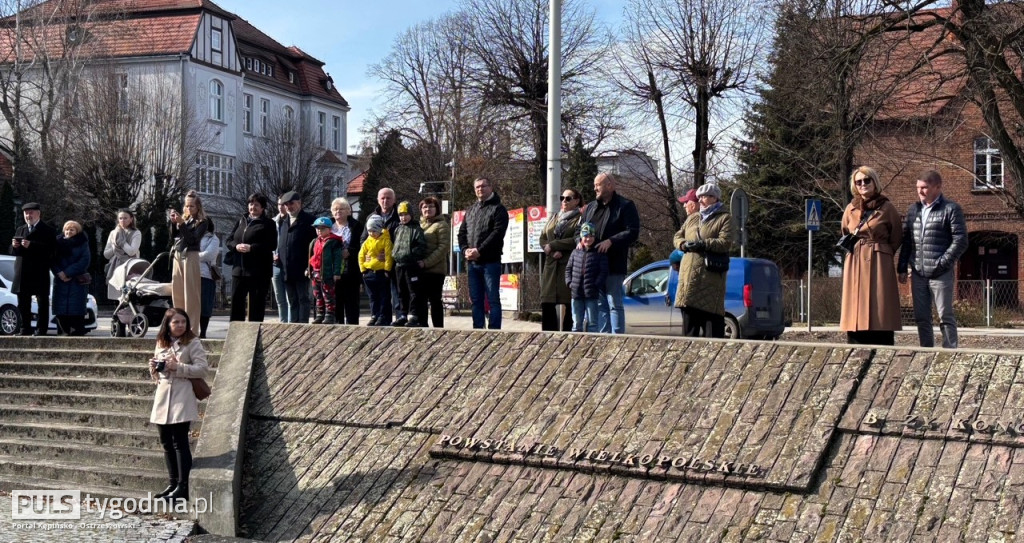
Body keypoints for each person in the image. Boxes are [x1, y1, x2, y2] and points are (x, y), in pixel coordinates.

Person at [897, 170, 968, 348]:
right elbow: (907, 241)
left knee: (945, 316)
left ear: (937, 187)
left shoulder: (951, 209)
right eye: (918, 187)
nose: (920, 191)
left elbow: (961, 240)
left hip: (940, 273)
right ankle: (926, 351)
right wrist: (902, 266)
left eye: (924, 187)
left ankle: (950, 352)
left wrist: (943, 262)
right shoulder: (914, 210)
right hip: (919, 273)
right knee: (921, 317)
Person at [148, 308, 208, 504]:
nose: (180, 325)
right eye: (176, 322)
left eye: (183, 322)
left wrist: (178, 367)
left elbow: (202, 369)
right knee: (166, 442)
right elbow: (157, 375)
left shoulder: (193, 343)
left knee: (180, 442)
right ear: (168, 325)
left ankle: (183, 486)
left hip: (182, 396)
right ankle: (172, 483)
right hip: (163, 396)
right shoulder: (161, 342)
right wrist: (154, 369)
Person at [840, 166, 903, 345]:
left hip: (878, 261)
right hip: (855, 261)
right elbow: (845, 231)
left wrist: (883, 252)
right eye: (858, 182)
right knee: (855, 305)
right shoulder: (850, 209)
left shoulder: (887, 208)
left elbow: (897, 236)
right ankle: (855, 337)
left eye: (866, 180)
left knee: (880, 305)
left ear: (874, 182)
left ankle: (882, 337)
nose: (863, 184)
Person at [580, 172, 640, 334]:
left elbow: (632, 231)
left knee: (614, 302)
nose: (595, 188)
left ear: (610, 186)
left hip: (614, 263)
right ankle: (604, 338)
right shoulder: (591, 208)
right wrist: (580, 241)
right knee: (600, 304)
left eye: (597, 185)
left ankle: (617, 339)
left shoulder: (625, 205)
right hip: (594, 264)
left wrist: (611, 241)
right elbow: (580, 230)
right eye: (594, 185)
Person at [673, 183, 735, 338]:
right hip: (688, 280)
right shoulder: (693, 218)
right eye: (699, 197)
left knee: (712, 331)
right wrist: (683, 244)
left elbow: (725, 242)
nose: (700, 200)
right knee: (689, 331)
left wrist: (704, 244)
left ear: (714, 198)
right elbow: (677, 236)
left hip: (709, 280)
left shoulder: (724, 218)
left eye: (704, 197)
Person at [458, 177, 509, 329]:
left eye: (483, 186)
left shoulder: (499, 209)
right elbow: (462, 233)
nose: (480, 189)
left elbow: (497, 233)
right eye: (477, 187)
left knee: (493, 299)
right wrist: (464, 249)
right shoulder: (471, 210)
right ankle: (478, 330)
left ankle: (494, 330)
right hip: (472, 263)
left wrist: (479, 251)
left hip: (490, 262)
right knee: (476, 300)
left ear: (490, 187)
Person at [227, 193, 278, 322]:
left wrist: (252, 248)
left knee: (256, 306)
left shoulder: (268, 223)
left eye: (256, 205)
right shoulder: (241, 220)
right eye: (251, 204)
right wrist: (236, 246)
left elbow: (271, 245)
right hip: (239, 270)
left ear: (262, 208)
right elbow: (229, 240)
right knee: (236, 303)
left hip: (258, 272)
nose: (253, 207)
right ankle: (235, 333)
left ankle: (254, 334)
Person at [539, 188, 583, 331]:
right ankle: (547, 339)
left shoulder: (580, 219)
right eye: (562, 198)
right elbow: (543, 238)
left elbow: (577, 239)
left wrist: (554, 245)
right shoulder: (554, 217)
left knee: (569, 304)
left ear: (576, 201)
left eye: (568, 198)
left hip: (568, 265)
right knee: (547, 303)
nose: (564, 201)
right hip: (551, 267)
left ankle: (567, 338)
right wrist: (551, 252)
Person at [10, 202, 56, 335]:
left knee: (42, 302)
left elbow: (51, 251)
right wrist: (14, 246)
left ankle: (41, 329)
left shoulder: (48, 230)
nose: (28, 215)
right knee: (23, 302)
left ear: (38, 213)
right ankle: (25, 328)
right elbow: (13, 252)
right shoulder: (21, 229)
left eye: (31, 213)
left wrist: (32, 245)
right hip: (22, 272)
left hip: (39, 271)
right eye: (26, 213)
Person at [169, 190, 209, 336]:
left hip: (191, 256)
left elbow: (192, 240)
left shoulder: (203, 222)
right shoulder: (184, 220)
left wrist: (182, 225)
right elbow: (174, 237)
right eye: (186, 206)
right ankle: (178, 327)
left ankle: (192, 330)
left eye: (191, 206)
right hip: (178, 256)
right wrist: (174, 224)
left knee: (191, 295)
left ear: (198, 207)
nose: (188, 209)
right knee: (178, 292)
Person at [276, 191, 316, 323]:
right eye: (286, 204)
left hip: (302, 268)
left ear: (299, 203)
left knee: (303, 299)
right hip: (287, 268)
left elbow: (314, 246)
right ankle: (293, 326)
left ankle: (302, 327)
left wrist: (309, 267)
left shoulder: (309, 221)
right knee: (292, 300)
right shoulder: (284, 221)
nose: (288, 207)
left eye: (291, 203)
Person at [361, 188, 402, 320]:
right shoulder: (370, 217)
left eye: (388, 198)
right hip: (377, 266)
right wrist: (368, 254)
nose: (385, 201)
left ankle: (400, 319)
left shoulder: (399, 216)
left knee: (397, 294)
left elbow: (402, 239)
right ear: (378, 200)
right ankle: (380, 317)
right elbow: (364, 239)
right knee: (379, 295)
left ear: (394, 200)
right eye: (382, 198)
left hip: (394, 263)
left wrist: (390, 253)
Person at [565, 222, 608, 333]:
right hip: (576, 293)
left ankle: (592, 345)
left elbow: (603, 272)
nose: (588, 239)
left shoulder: (599, 253)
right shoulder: (575, 252)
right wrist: (570, 283)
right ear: (581, 237)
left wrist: (596, 285)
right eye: (585, 236)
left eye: (590, 236)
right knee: (576, 323)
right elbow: (568, 269)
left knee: (593, 323)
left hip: (592, 294)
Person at [51, 220, 91, 336]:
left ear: (77, 231)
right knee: (61, 309)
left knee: (76, 308)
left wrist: (67, 272)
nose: (69, 232)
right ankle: (63, 331)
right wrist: (59, 273)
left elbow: (84, 260)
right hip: (60, 281)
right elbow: (52, 260)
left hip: (76, 281)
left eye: (72, 230)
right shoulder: (57, 242)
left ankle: (76, 332)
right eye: (67, 229)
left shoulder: (83, 243)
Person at [392, 201, 428, 327]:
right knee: (401, 290)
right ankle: (402, 314)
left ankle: (413, 314)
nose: (403, 217)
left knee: (413, 290)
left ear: (411, 214)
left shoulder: (416, 229)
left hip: (411, 265)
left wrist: (411, 256)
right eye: (401, 215)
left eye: (406, 214)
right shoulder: (398, 229)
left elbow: (421, 246)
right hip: (399, 265)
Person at [330, 197, 364, 325]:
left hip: (351, 270)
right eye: (335, 209)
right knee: (336, 302)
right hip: (333, 270)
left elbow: (362, 245)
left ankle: (353, 327)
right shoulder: (328, 226)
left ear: (348, 211)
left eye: (341, 209)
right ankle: (338, 327)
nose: (338, 211)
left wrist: (350, 251)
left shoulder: (356, 226)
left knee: (352, 303)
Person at [418, 196, 450, 328]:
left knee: (435, 300)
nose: (428, 209)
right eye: (425, 207)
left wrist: (426, 262)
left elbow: (443, 248)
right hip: (420, 269)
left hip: (435, 270)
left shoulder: (441, 225)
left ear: (437, 209)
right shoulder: (418, 225)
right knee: (421, 300)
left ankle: (438, 329)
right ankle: (422, 327)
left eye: (431, 206)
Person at [308, 217, 344, 324]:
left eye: (322, 229)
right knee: (317, 294)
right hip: (316, 272)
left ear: (329, 229)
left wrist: (337, 272)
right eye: (317, 228)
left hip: (327, 273)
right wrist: (309, 269)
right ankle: (320, 314)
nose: (319, 231)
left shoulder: (333, 242)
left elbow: (338, 258)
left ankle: (330, 315)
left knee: (328, 294)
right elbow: (312, 256)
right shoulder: (315, 241)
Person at [359, 216, 393, 326]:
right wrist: (363, 270)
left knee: (383, 296)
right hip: (369, 273)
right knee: (372, 297)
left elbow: (388, 256)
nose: (371, 233)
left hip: (381, 273)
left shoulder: (386, 241)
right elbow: (361, 255)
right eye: (369, 231)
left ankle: (382, 316)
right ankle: (374, 315)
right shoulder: (367, 242)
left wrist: (387, 270)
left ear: (379, 230)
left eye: (374, 231)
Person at [103, 209, 141, 300]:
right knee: (115, 297)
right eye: (120, 218)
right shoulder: (113, 233)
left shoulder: (136, 233)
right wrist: (114, 246)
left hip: (129, 267)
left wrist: (121, 242)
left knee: (127, 296)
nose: (122, 221)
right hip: (115, 267)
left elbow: (132, 251)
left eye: (125, 218)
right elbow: (106, 254)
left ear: (131, 219)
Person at [198, 221, 220, 338]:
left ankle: (203, 333)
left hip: (206, 275)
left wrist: (192, 256)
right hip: (191, 274)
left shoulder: (213, 239)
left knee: (205, 306)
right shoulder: (192, 235)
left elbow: (209, 255)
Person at [271, 201, 289, 321]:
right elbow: (268, 242)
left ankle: (291, 324)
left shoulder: (292, 221)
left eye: (283, 204)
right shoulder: (273, 222)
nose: (281, 207)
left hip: (288, 264)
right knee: (279, 297)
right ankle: (282, 322)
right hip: (275, 264)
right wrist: (272, 255)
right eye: (279, 204)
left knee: (289, 298)